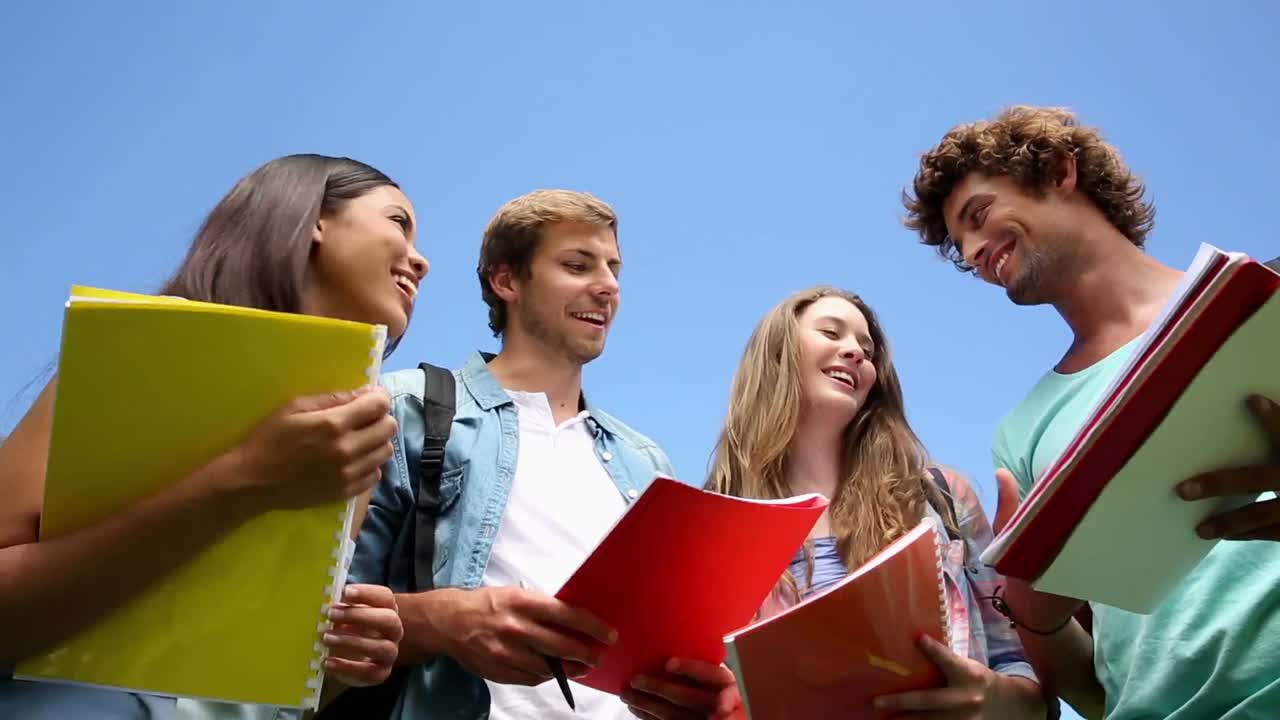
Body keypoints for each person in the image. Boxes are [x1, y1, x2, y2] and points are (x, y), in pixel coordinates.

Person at [0, 154, 423, 719]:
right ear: (315, 220)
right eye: (398, 222)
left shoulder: (358, 438)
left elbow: (246, 691)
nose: (420, 260)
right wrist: (250, 479)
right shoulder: (145, 345)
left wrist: (341, 663)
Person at [902, 105, 1280, 719]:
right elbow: (1088, 692)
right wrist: (1033, 616)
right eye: (961, 248)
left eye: (978, 215)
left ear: (1059, 171)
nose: (972, 252)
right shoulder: (1021, 436)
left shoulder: (1264, 308)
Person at [620, 285, 1047, 720]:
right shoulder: (711, 532)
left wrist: (994, 699)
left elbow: (1023, 674)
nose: (856, 352)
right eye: (831, 332)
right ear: (778, 355)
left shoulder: (941, 498)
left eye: (867, 349)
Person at [347, 189, 676, 719]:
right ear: (507, 282)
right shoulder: (406, 408)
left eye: (613, 268)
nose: (607, 286)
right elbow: (326, 619)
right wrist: (442, 621)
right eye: (577, 265)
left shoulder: (646, 462)